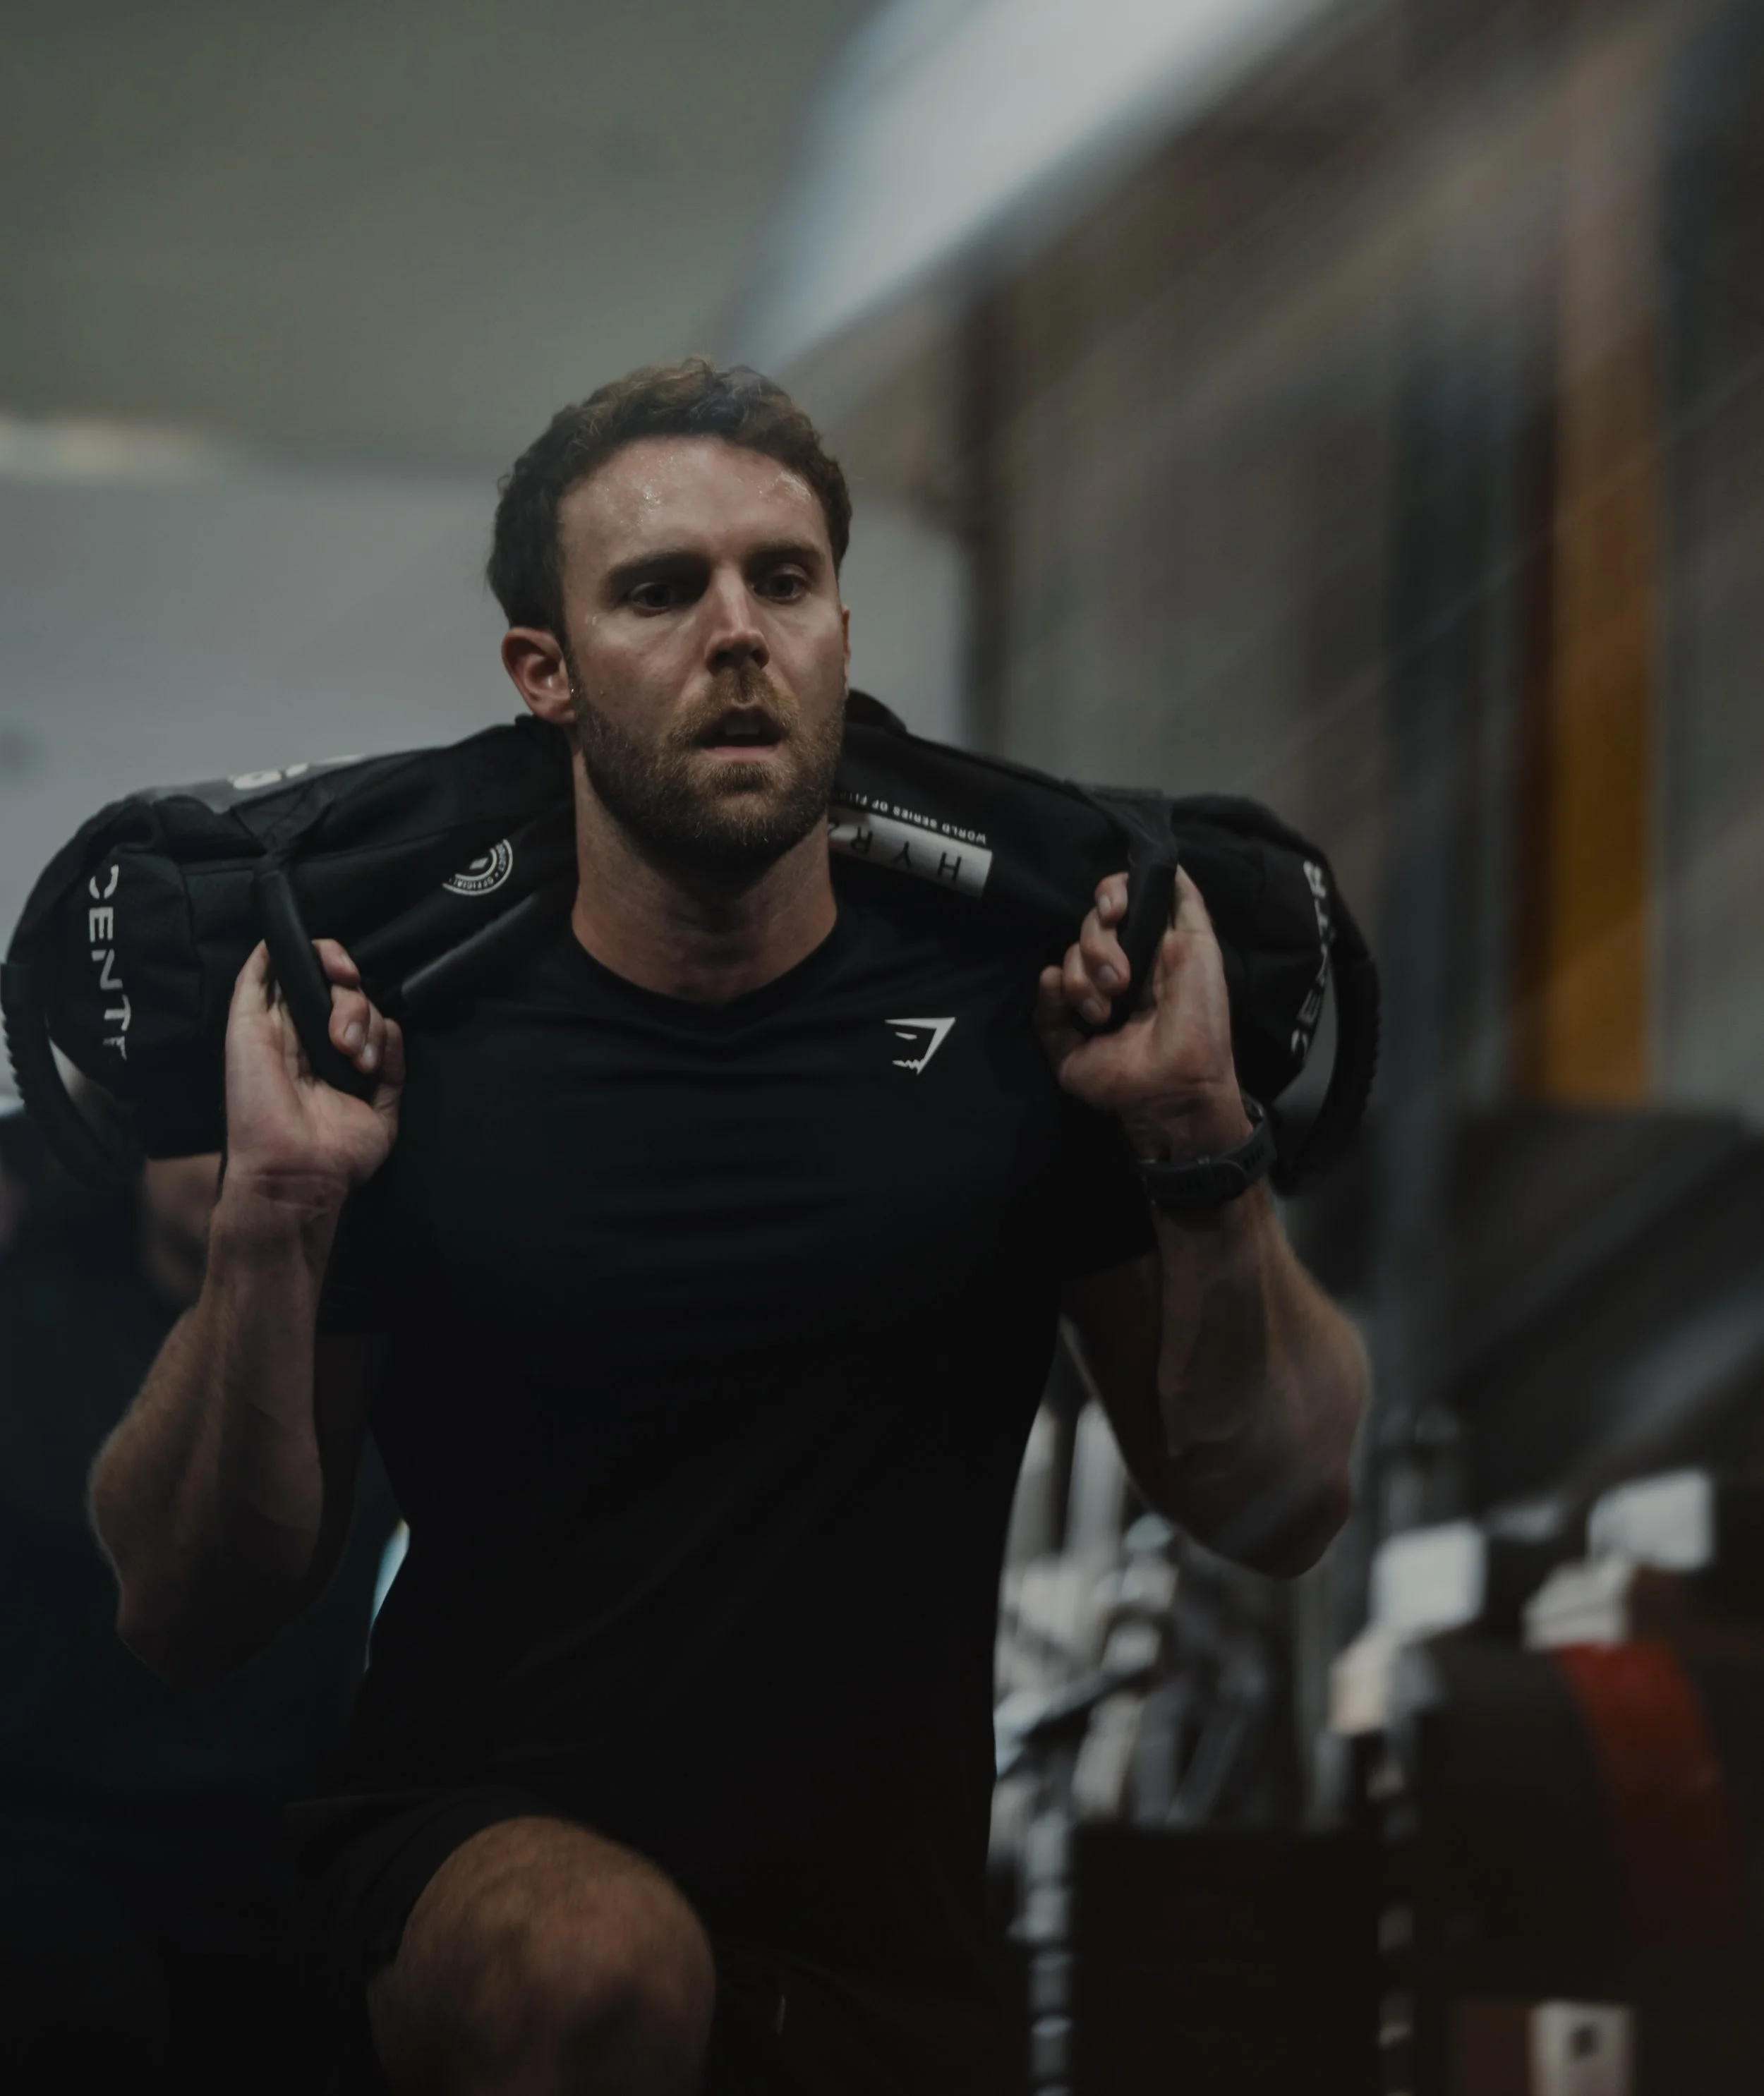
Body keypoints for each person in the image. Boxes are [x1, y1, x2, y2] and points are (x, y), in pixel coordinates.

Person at [88, 358, 1369, 2095]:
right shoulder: (408, 1050)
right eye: (657, 590)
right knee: (595, 1973)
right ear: (543, 674)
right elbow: (182, 1600)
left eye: (782, 579)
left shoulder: (1020, 1030)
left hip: (885, 1959)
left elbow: (1277, 1504)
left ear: (842, 627)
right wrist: (276, 1218)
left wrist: (1198, 1145)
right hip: (469, 1889)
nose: (736, 631)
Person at [0, 1113, 399, 2092]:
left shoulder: (355, 1367)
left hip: (270, 1850)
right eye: (202, 1120)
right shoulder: (26, 1310)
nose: (232, 1154)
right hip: (44, 1836)